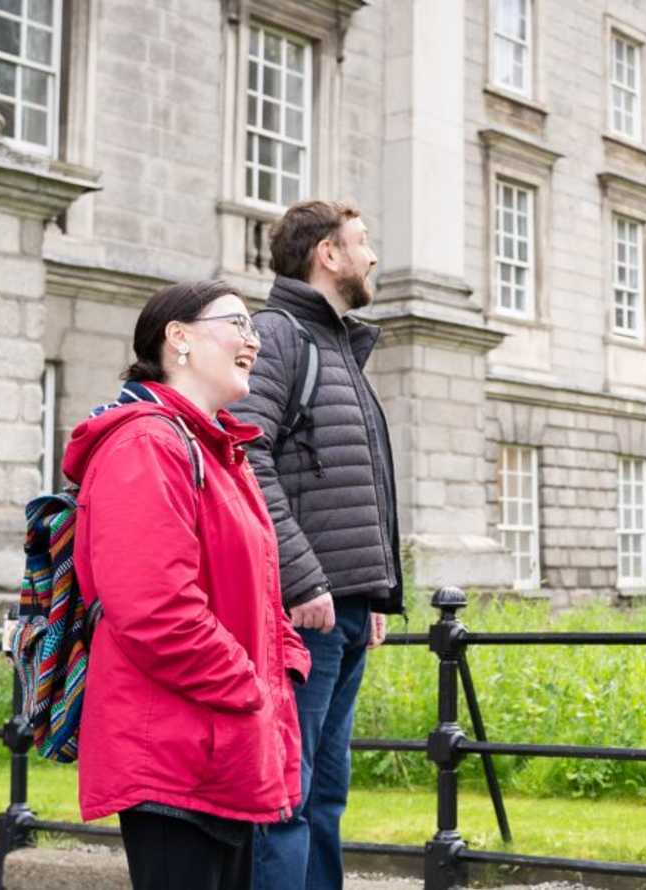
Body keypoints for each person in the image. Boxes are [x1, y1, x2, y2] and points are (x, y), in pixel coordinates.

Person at [64, 280, 311, 890]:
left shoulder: (221, 448)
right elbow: (155, 610)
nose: (253, 340)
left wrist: (284, 664)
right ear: (179, 338)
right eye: (238, 323)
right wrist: (252, 685)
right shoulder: (148, 444)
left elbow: (259, 587)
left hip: (218, 741)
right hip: (174, 751)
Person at [230, 199, 401, 890]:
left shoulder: (339, 345)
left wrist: (378, 588)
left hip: (347, 608)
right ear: (327, 254)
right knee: (286, 798)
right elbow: (246, 455)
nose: (372, 256)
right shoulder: (278, 337)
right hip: (305, 615)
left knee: (326, 797)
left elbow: (359, 483)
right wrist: (303, 581)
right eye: (362, 242)